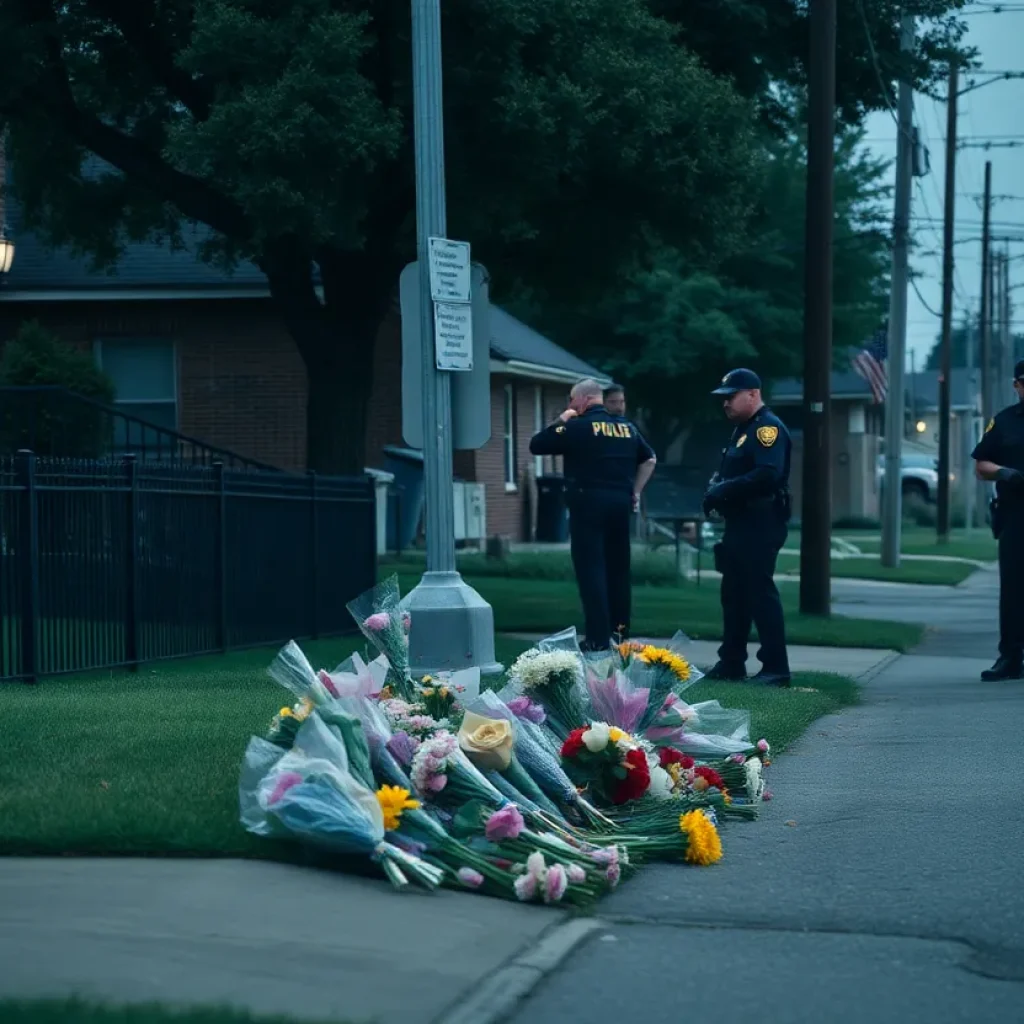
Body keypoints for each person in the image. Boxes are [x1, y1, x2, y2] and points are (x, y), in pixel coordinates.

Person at [529, 378, 657, 651]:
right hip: (620, 504)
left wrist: (563, 418)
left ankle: (598, 638)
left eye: (572, 400)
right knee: (619, 570)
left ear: (584, 400)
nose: (571, 405)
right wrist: (635, 491)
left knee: (592, 569)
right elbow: (650, 459)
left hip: (588, 504)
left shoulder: (577, 426)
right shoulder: (627, 428)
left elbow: (538, 444)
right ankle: (620, 633)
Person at [702, 368, 793, 687]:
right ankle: (731, 661)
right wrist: (718, 490)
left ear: (753, 394)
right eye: (723, 398)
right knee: (734, 593)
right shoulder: (744, 429)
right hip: (741, 522)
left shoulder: (767, 429)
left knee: (759, 592)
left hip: (761, 520)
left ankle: (775, 668)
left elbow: (767, 473)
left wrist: (723, 490)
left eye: (731, 397)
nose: (725, 403)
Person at [971, 359, 1024, 681]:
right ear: (1017, 385)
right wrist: (1005, 472)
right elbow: (982, 464)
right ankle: (1011, 657)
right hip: (1016, 512)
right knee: (1014, 588)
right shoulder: (1004, 422)